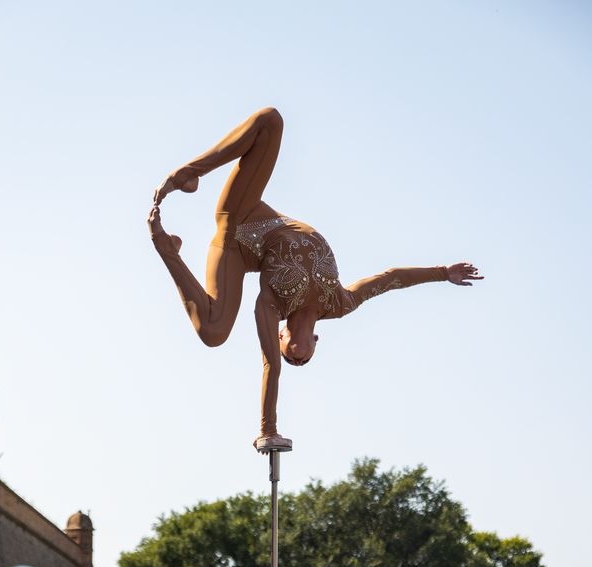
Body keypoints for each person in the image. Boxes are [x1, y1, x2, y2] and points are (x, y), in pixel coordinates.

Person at [149, 107, 482, 451]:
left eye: (290, 357)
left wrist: (267, 429)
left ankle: (166, 248)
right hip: (254, 210)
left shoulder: (270, 306)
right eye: (301, 360)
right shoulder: (339, 301)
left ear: (280, 334)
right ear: (317, 342)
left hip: (233, 238)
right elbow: (390, 278)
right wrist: (443, 274)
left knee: (214, 333)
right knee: (272, 119)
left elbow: (270, 366)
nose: (295, 357)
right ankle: (189, 173)